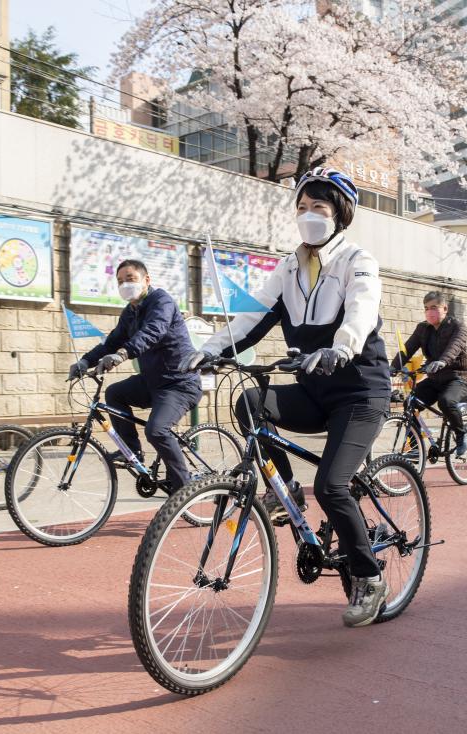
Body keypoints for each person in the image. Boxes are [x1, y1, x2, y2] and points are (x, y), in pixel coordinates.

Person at [180, 166, 391, 628]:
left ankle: (370, 575)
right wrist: (209, 351)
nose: (309, 216)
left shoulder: (358, 261)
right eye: (302, 208)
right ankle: (285, 487)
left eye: (319, 207)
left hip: (359, 393)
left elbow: (360, 310)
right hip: (314, 390)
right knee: (250, 404)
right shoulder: (288, 267)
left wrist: (342, 348)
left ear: (340, 214)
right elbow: (251, 317)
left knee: (333, 486)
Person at [68, 260, 202, 492]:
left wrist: (122, 355)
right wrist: (85, 361)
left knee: (157, 430)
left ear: (146, 279)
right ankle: (131, 450)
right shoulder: (130, 312)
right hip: (152, 381)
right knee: (114, 394)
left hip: (179, 383)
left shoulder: (162, 301)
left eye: (130, 279)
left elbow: (153, 331)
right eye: (120, 281)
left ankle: (185, 491)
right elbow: (112, 341)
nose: (125, 285)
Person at [390, 291, 467, 454]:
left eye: (434, 307)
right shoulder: (422, 329)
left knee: (446, 402)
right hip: (435, 379)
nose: (430, 312)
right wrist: (393, 366)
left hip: (457, 378)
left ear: (445, 308)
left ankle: (462, 433)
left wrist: (442, 361)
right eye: (426, 308)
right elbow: (407, 350)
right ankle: (414, 448)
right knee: (410, 403)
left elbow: (454, 348)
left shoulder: (458, 327)